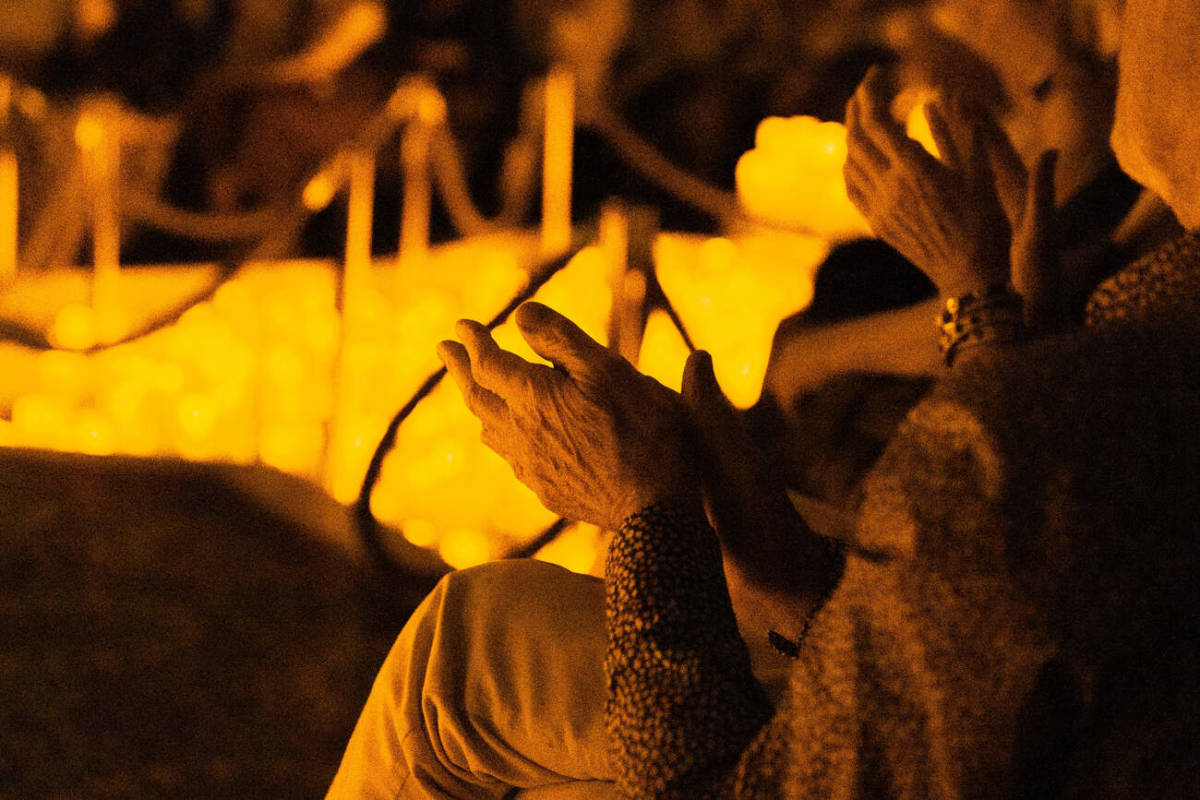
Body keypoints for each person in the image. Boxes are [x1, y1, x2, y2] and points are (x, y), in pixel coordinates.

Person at [427, 0, 1200, 795]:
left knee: (455, 663)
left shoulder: (1087, 392)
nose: (1124, 22)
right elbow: (999, 638)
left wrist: (643, 513)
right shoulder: (1140, 326)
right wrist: (789, 566)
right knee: (485, 639)